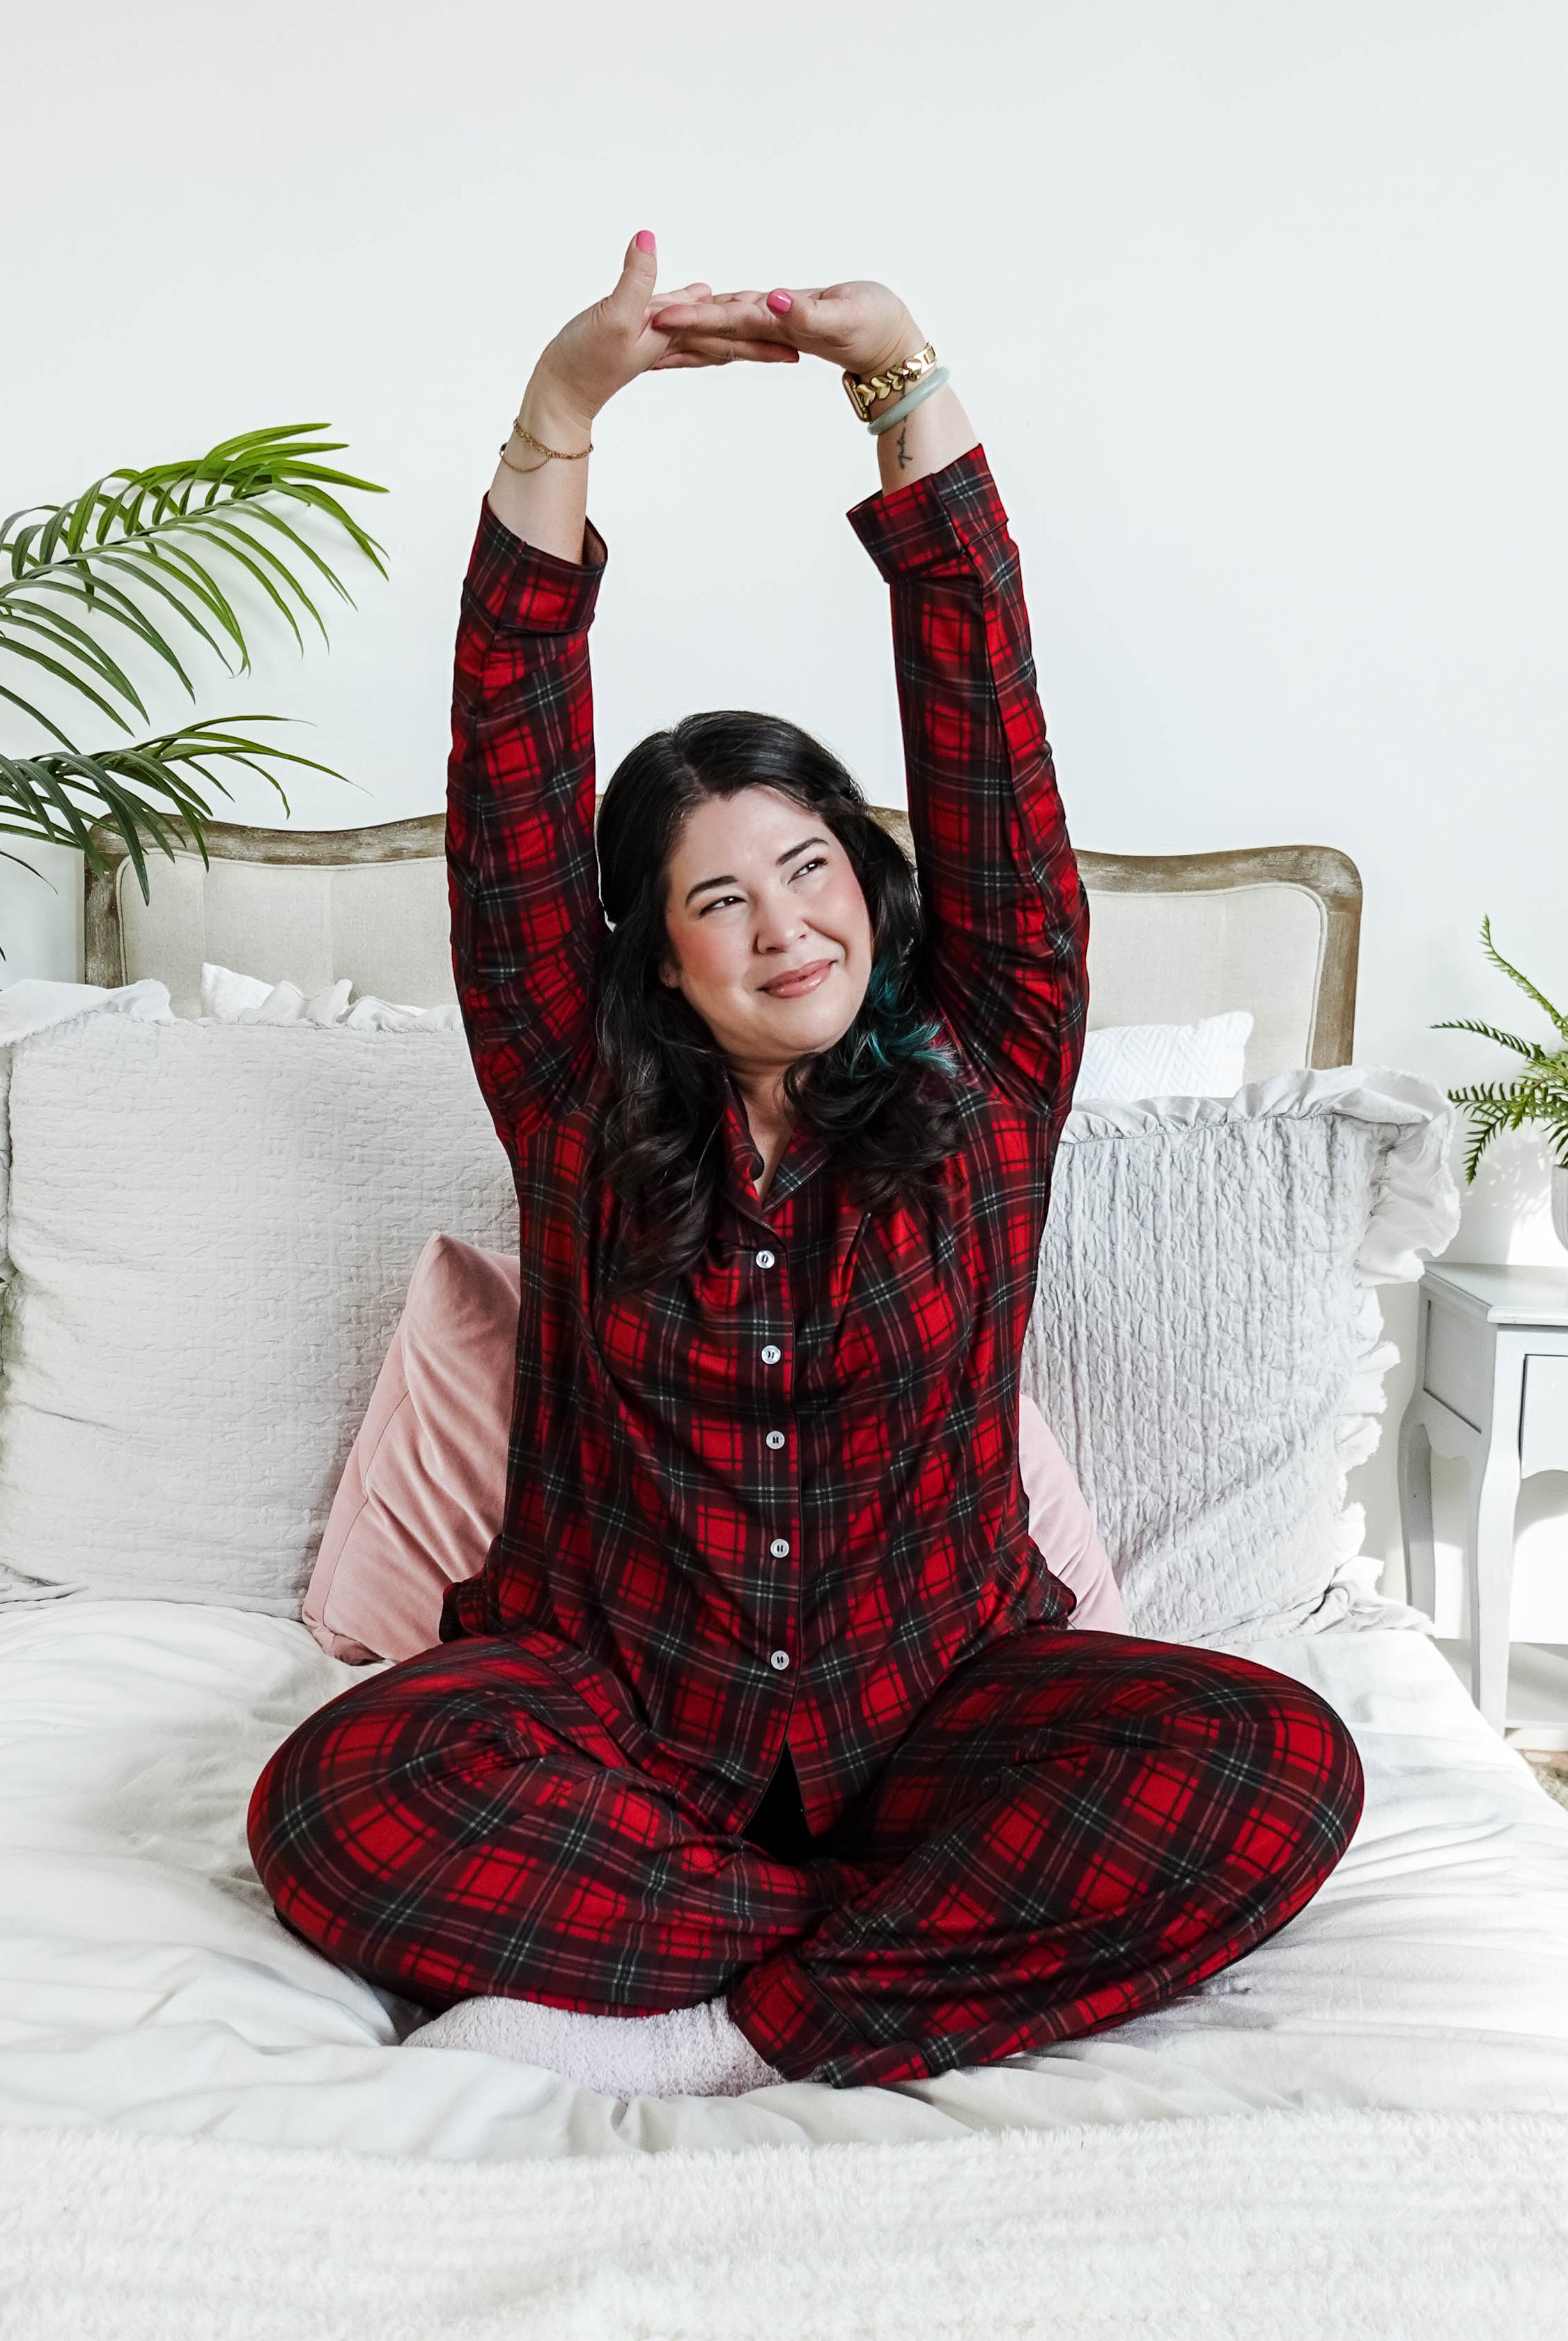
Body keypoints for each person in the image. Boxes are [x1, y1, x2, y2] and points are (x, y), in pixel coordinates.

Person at [247, 235, 1363, 2101]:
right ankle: (881, 1952)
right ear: (652, 955)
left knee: (1277, 1765)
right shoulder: (574, 1100)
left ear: (869, 880)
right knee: (338, 1805)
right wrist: (560, 410)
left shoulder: (994, 1059)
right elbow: (508, 761)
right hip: (607, 1711)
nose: (782, 925)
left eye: (809, 868)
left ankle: (719, 2017)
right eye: (714, 896)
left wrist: (902, 382)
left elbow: (987, 729)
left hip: (939, 1709)